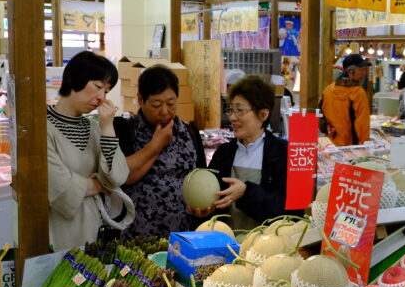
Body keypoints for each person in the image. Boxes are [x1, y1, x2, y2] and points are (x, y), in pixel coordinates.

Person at [46, 51, 128, 250]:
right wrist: (99, 185)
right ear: (73, 79)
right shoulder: (43, 128)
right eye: (98, 86)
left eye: (107, 91)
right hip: (58, 228)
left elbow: (117, 177)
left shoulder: (94, 128)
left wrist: (108, 127)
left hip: (94, 227)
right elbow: (59, 185)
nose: (101, 97)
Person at [114, 65, 205, 239]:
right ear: (141, 100)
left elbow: (199, 177)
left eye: (171, 104)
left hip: (184, 236)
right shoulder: (125, 130)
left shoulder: (190, 132)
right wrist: (157, 144)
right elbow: (122, 176)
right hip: (137, 237)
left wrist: (203, 205)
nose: (164, 111)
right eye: (156, 104)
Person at [206, 76, 295, 229]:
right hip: (225, 244)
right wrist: (204, 209)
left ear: (263, 114)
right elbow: (213, 198)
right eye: (231, 110)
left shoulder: (283, 154)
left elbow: (289, 213)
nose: (233, 117)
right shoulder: (224, 153)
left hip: (265, 248)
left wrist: (246, 193)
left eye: (240, 110)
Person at [320, 53, 371, 146]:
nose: (364, 73)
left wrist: (327, 128)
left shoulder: (328, 90)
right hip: (350, 148)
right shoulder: (358, 93)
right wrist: (364, 147)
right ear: (350, 71)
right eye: (361, 70)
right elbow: (362, 125)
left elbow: (320, 116)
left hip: (330, 144)